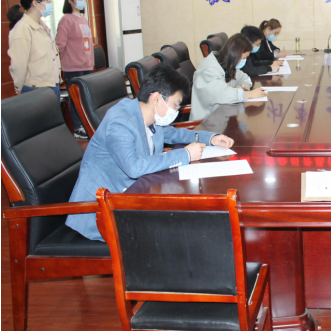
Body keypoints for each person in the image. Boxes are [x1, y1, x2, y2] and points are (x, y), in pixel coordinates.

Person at [66, 63, 235, 241]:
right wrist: (184, 154)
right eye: (175, 104)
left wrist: (211, 138)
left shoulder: (149, 116)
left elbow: (174, 134)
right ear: (156, 98)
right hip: (99, 213)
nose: (176, 111)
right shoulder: (120, 122)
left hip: (132, 196)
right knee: (181, 230)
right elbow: (134, 168)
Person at [190, 33, 267, 121]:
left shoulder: (228, 66)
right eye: (244, 57)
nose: (244, 61)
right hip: (205, 122)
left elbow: (246, 78)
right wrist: (249, 94)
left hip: (222, 117)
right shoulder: (209, 70)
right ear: (235, 54)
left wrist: (241, 86)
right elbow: (222, 95)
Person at [7, 0, 61, 100]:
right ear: (35, 3)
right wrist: (19, 86)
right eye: (47, 0)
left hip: (52, 84)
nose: (49, 3)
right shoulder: (22, 29)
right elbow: (19, 65)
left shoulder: (41, 25)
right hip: (36, 89)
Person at [55, 0, 94, 139]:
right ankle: (78, 127)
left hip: (86, 65)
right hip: (73, 66)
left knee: (86, 97)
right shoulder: (66, 20)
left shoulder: (83, 19)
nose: (82, 1)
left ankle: (86, 123)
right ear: (70, 1)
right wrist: (60, 65)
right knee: (75, 97)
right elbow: (59, 45)